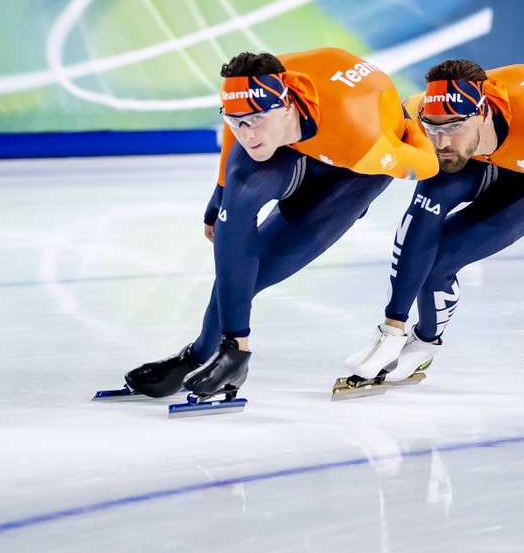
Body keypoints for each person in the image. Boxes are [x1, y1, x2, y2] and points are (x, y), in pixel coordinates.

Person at [121, 48, 439, 403]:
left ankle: (222, 357)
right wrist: (220, 192)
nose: (246, 133)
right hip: (296, 141)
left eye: (255, 120)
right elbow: (242, 126)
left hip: (351, 171)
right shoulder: (257, 95)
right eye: (235, 120)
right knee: (238, 209)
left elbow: (426, 166)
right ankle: (211, 355)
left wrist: (411, 132)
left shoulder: (361, 134)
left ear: (287, 106)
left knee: (255, 275)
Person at [341, 59, 524, 387]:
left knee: (440, 261)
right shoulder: (425, 114)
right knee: (425, 205)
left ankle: (425, 342)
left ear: (482, 113)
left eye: (453, 126)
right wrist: (361, 197)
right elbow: (387, 143)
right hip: (480, 154)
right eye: (433, 127)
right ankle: (391, 332)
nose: (441, 141)